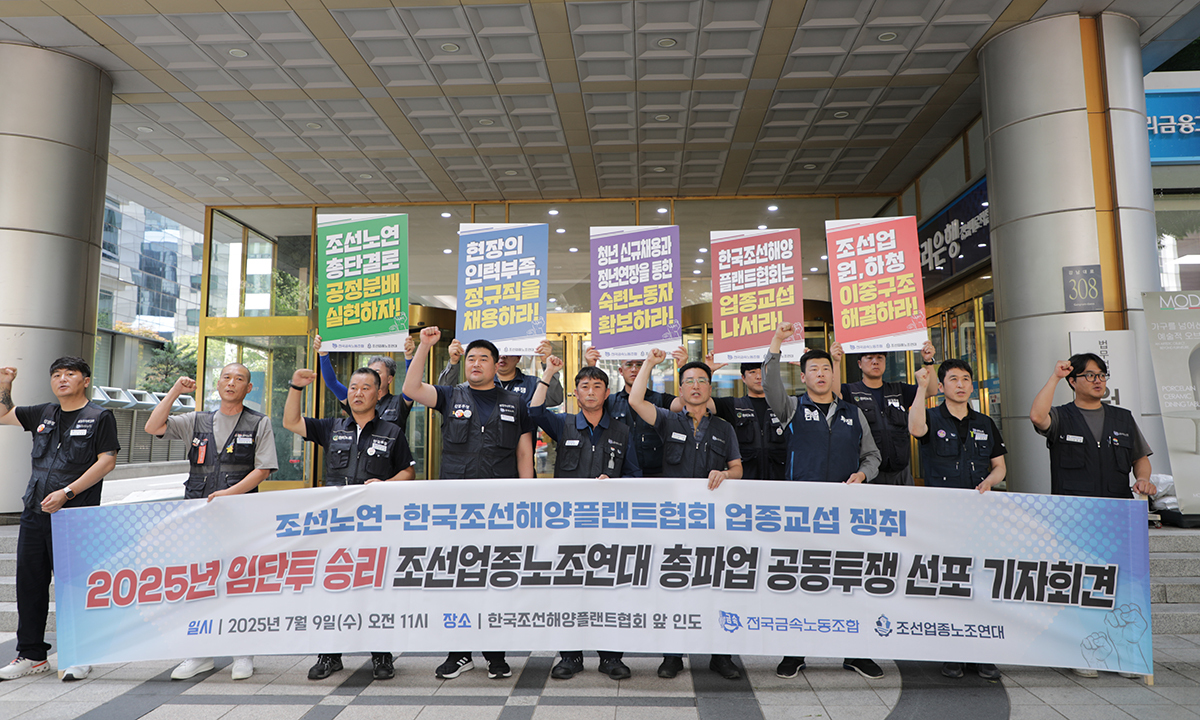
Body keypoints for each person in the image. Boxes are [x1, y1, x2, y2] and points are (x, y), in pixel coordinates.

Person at [404, 326, 536, 681]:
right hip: (457, 507)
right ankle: (459, 653)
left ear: (496, 365)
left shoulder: (515, 403)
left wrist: (528, 499)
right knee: (459, 578)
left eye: (483, 359)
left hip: (499, 507)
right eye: (471, 358)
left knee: (497, 578)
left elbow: (524, 453)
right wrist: (425, 347)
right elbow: (411, 389)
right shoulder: (451, 395)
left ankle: (495, 654)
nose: (476, 364)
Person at [762, 322, 885, 680]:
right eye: (813, 369)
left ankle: (856, 652)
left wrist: (863, 475)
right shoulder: (791, 408)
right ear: (803, 377)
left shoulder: (852, 413)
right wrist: (777, 341)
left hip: (845, 515)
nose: (820, 374)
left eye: (825, 368)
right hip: (801, 515)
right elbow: (769, 385)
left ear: (833, 374)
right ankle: (794, 652)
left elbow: (872, 456)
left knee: (848, 582)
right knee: (802, 582)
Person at [144, 365, 278, 682]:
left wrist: (229, 494)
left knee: (239, 581)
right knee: (200, 582)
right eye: (226, 378)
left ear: (249, 388)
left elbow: (263, 469)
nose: (231, 383)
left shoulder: (258, 422)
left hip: (239, 515)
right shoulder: (197, 420)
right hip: (198, 515)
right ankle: (200, 653)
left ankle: (243, 653)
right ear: (218, 384)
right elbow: (153, 426)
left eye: (239, 379)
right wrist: (175, 391)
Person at [284, 365, 416, 681]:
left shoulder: (392, 432)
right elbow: (291, 422)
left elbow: (408, 472)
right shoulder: (331, 427)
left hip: (375, 526)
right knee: (333, 588)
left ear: (378, 393)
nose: (358, 393)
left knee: (376, 589)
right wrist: (296, 387)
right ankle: (329, 655)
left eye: (365, 388)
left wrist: (385, 485)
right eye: (353, 387)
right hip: (337, 525)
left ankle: (381, 655)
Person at [1029, 353, 1155, 681]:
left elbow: (1140, 458)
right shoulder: (1062, 417)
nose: (1098, 381)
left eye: (1102, 374)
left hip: (1117, 514)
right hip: (1075, 518)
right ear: (1073, 381)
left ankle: (1124, 655)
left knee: (1120, 585)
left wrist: (1143, 478)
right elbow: (1037, 416)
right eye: (1090, 375)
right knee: (1081, 585)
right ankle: (1083, 650)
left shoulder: (1122, 418)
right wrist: (1054, 377)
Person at [627, 348, 744, 681]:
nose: (695, 386)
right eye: (689, 381)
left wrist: (725, 474)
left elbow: (738, 468)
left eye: (701, 380)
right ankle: (672, 655)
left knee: (715, 585)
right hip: (675, 521)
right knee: (675, 586)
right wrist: (650, 363)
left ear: (710, 387)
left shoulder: (723, 428)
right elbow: (635, 400)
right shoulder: (668, 420)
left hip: (713, 522)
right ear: (680, 389)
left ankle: (721, 656)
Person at [0, 358, 119, 682]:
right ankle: (32, 655)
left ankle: (81, 654)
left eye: (70, 374)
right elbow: (3, 414)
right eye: (56, 374)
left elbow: (107, 461)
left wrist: (68, 492)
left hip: (75, 516)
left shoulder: (99, 417)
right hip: (35, 513)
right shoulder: (43, 413)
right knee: (29, 585)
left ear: (85, 380)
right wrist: (5, 383)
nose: (62, 379)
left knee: (76, 586)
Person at [529, 356, 639, 681]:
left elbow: (634, 474)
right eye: (585, 386)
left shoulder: (622, 431)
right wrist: (550, 372)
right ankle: (570, 656)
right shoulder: (563, 424)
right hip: (569, 524)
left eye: (597, 386)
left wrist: (615, 484)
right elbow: (534, 412)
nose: (590, 391)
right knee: (569, 588)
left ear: (607, 393)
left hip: (609, 525)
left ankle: (611, 657)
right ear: (575, 393)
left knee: (609, 588)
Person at [908, 359, 1005, 681]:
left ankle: (983, 653)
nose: (960, 384)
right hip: (943, 516)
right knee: (950, 583)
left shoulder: (985, 422)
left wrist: (990, 481)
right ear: (941, 386)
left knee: (980, 582)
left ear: (972, 386)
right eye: (953, 379)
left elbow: (1000, 466)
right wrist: (920, 388)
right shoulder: (931, 416)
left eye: (965, 379)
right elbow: (915, 429)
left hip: (980, 515)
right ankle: (952, 652)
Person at [669, 351, 786, 480]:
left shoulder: (785, 406)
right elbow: (695, 400)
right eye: (752, 372)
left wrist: (802, 365)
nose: (759, 376)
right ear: (743, 378)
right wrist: (708, 371)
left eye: (763, 372)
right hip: (744, 482)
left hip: (780, 481)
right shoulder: (733, 405)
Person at [838, 341, 938, 485]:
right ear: (859, 364)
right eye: (869, 358)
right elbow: (833, 395)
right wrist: (836, 361)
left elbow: (931, 390)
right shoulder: (850, 391)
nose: (875, 362)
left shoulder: (899, 390)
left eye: (880, 358)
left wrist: (928, 361)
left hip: (900, 473)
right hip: (865, 474)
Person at [586, 346, 676, 477]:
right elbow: (589, 405)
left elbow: (684, 405)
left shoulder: (660, 399)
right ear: (621, 371)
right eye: (629, 364)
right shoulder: (609, 401)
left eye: (639, 365)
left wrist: (682, 367)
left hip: (655, 475)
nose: (634, 369)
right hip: (618, 473)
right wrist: (591, 367)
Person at [313, 333, 413, 429]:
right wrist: (323, 354)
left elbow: (411, 386)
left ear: (389, 379)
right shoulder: (357, 400)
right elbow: (332, 383)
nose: (372, 377)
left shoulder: (398, 403)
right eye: (370, 372)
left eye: (377, 373)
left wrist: (408, 357)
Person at [439, 337, 564, 407]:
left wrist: (547, 365)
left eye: (508, 352)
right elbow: (444, 396)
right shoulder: (476, 384)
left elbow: (555, 399)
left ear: (518, 357)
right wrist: (453, 362)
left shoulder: (532, 384)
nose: (503, 356)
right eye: (499, 352)